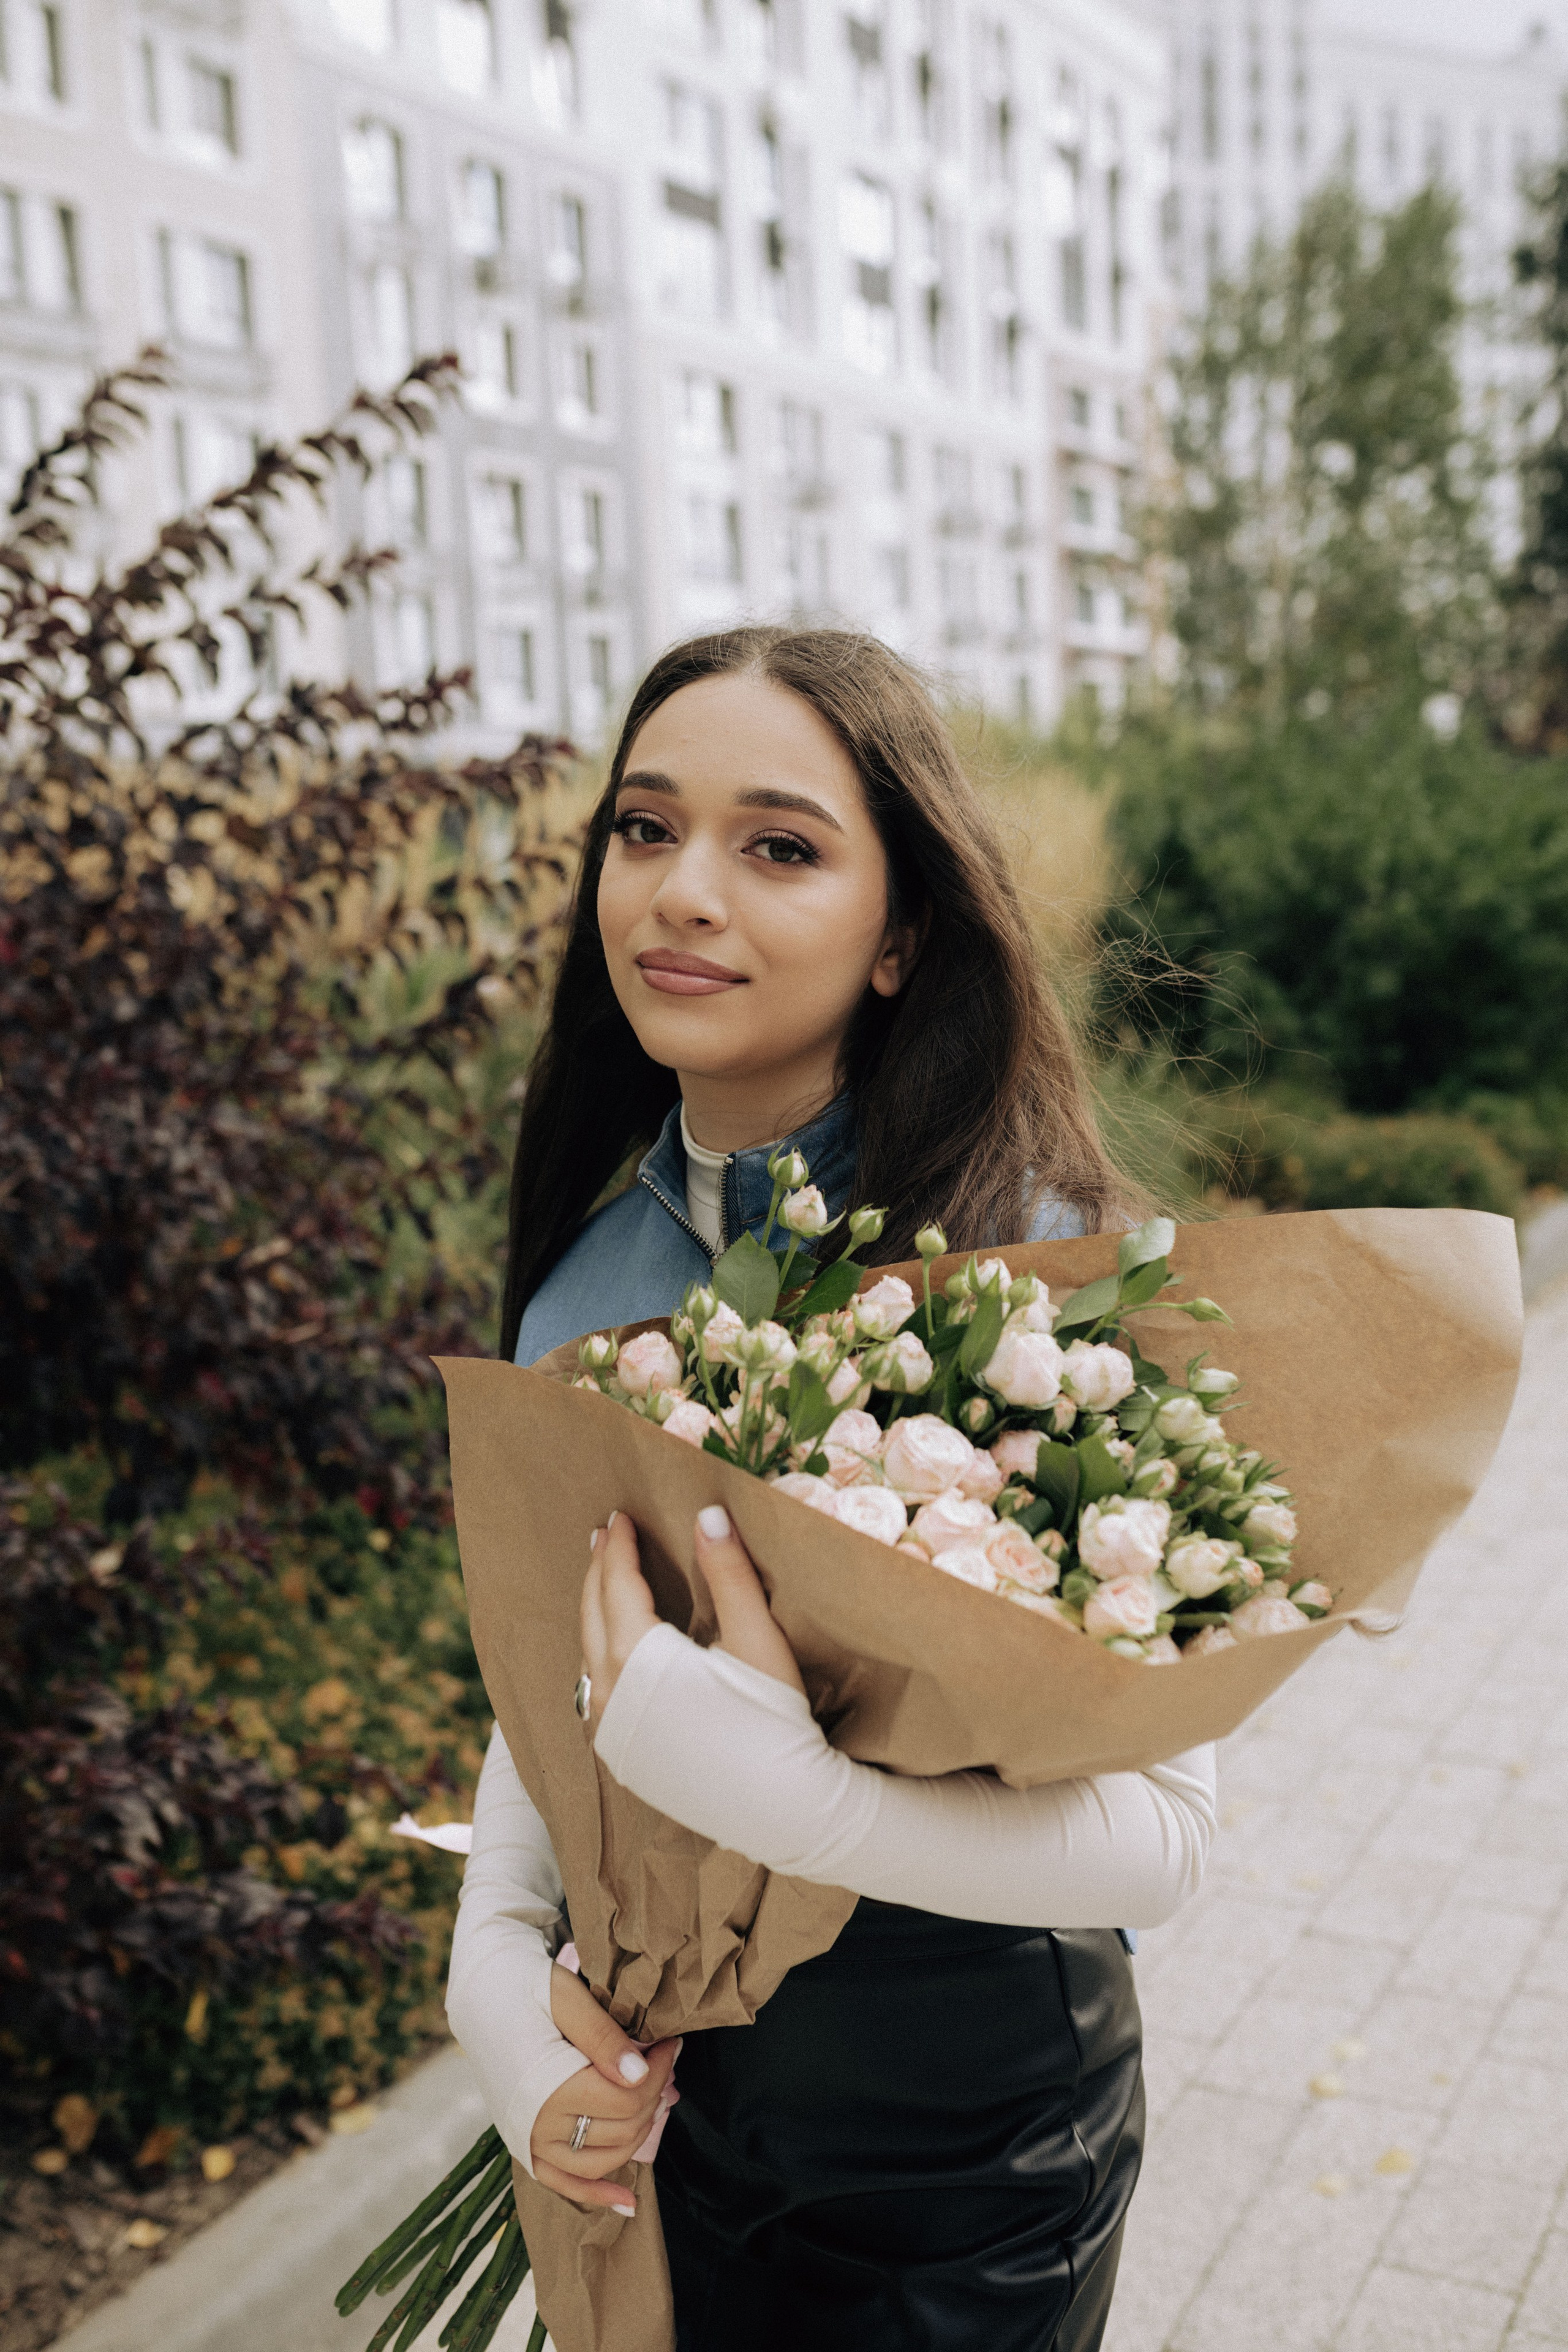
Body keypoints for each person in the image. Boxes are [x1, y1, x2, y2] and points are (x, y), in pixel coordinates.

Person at [447, 627, 1216, 2352]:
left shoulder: (1047, 1284)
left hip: (974, 2149)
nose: (682, 892)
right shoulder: (586, 1264)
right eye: (644, 831)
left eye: (778, 846)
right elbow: (560, 1666)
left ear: (904, 935)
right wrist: (495, 1968)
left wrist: (804, 1808)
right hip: (685, 2098)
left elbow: (1169, 1846)